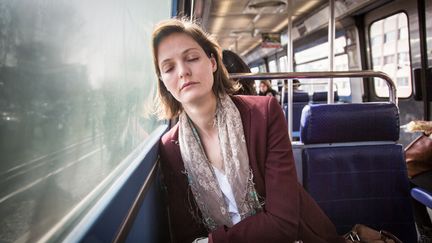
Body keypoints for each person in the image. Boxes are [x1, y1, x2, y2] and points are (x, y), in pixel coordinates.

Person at [153, 18, 345, 243]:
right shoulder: (170, 147)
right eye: (169, 68)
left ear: (213, 63)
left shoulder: (264, 114)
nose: (183, 72)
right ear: (163, 81)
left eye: (192, 58)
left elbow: (283, 224)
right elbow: (186, 233)